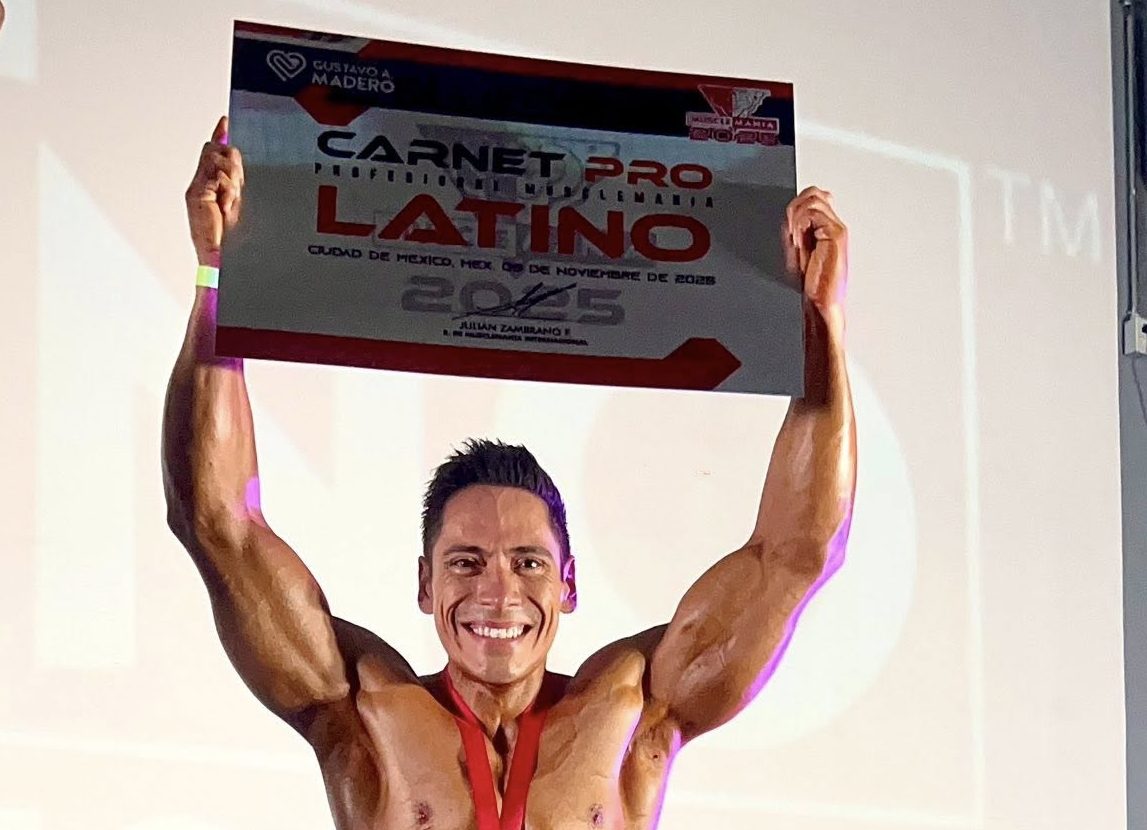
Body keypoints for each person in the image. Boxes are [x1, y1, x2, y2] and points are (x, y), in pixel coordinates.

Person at [162, 115, 856, 830]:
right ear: (425, 585)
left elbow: (797, 551)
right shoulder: (366, 716)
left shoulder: (630, 714)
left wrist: (816, 321)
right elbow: (217, 523)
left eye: (528, 562)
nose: (498, 592)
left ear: (568, 583)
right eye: (466, 562)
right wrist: (219, 273)